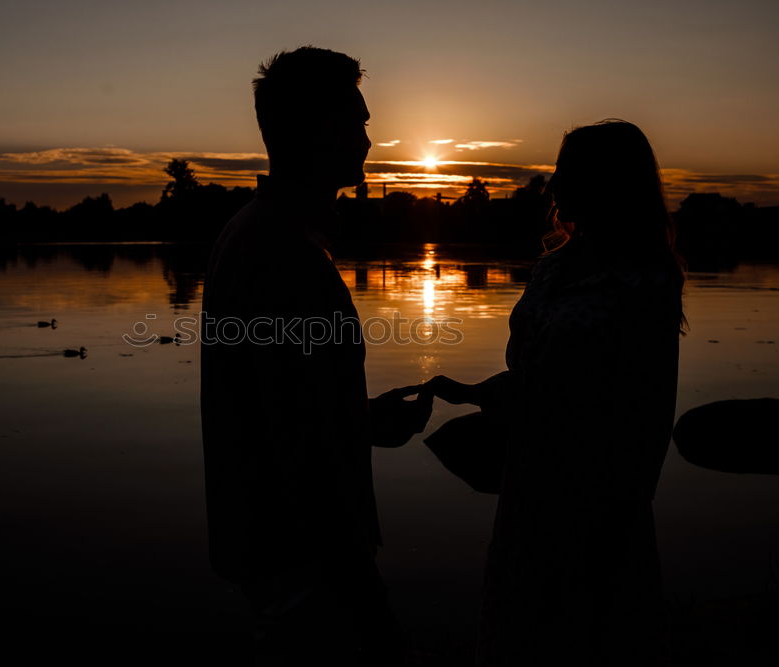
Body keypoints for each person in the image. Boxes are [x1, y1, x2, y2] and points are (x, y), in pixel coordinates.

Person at [423, 119, 686, 666]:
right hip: (528, 487)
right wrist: (473, 393)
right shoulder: (551, 267)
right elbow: (534, 374)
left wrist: (624, 505)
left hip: (600, 498)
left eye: (567, 173)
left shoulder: (648, 279)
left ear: (608, 184)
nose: (553, 186)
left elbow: (650, 404)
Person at [200, 46, 431, 665]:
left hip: (277, 548)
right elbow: (295, 442)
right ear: (319, 131)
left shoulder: (258, 233)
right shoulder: (281, 254)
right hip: (305, 558)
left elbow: (286, 401)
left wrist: (364, 420)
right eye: (358, 123)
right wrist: (360, 586)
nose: (368, 141)